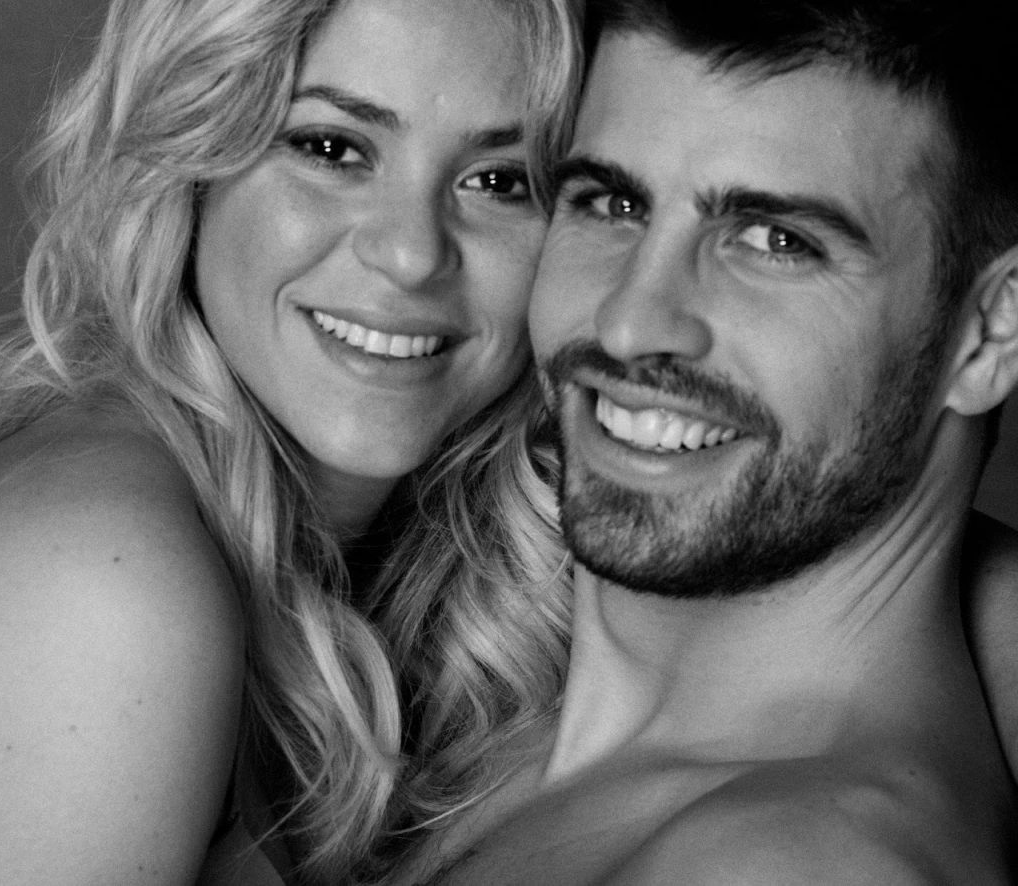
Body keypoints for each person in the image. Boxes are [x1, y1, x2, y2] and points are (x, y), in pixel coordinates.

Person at [0, 0, 582, 882]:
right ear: (191, 160)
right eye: (331, 148)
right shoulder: (102, 591)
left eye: (501, 181)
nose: (412, 253)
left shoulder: (382, 588)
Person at [381, 0, 1018, 881]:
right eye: (612, 203)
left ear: (989, 336)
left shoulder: (798, 866)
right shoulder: (447, 685)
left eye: (775, 241)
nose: (630, 322)